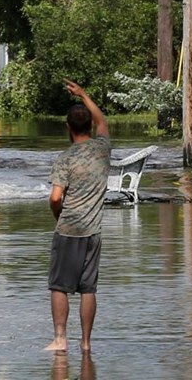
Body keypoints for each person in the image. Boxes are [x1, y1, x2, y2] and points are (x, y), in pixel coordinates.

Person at [45, 78, 111, 353]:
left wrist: (58, 216)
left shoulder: (66, 158)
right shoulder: (102, 149)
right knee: (88, 289)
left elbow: (55, 197)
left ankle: (60, 339)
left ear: (69, 128)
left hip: (69, 229)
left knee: (59, 286)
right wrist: (84, 94)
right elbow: (102, 122)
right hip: (93, 231)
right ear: (88, 127)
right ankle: (85, 344)